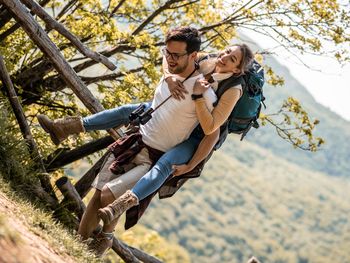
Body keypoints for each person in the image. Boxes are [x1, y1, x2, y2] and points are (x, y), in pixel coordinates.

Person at [38, 28, 254, 256]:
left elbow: (211, 130)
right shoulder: (200, 61)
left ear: (237, 69)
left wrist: (199, 97)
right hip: (142, 133)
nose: (224, 57)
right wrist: (169, 78)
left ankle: (110, 228)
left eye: (232, 58)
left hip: (182, 142)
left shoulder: (228, 91)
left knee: (113, 192)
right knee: (100, 191)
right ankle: (80, 246)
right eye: (226, 51)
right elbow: (169, 61)